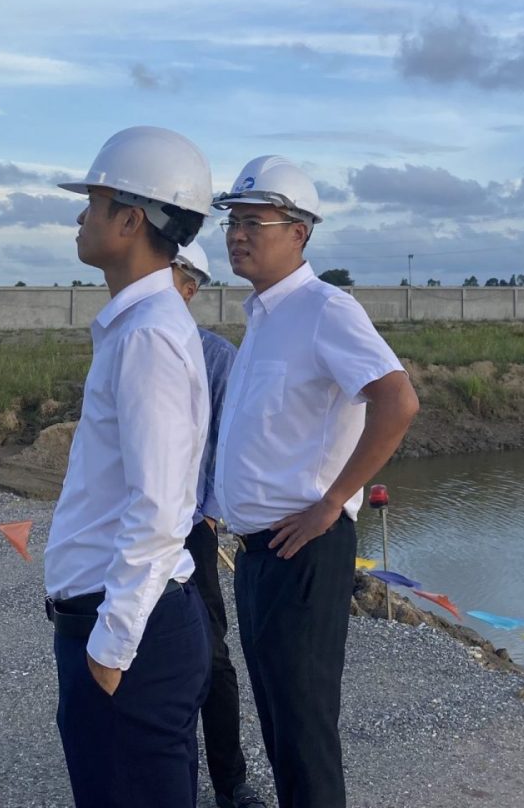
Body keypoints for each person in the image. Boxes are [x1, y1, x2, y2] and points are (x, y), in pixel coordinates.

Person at [211, 155, 420, 808]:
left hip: (303, 549)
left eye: (255, 222)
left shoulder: (326, 309)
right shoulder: (265, 317)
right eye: (233, 222)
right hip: (258, 553)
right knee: (280, 725)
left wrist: (333, 502)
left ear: (299, 232)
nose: (237, 235)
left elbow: (397, 401)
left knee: (304, 732)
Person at [43, 126, 216, 808]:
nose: (80, 217)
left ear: (130, 220)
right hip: (123, 620)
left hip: (128, 632)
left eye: (93, 202)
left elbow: (161, 507)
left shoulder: (148, 336)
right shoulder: (140, 326)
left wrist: (111, 649)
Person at [170, 242, 266, 808]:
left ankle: (231, 783)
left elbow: (227, 443)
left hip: (190, 527)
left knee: (211, 655)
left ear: (190, 288)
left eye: (169, 275)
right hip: (131, 527)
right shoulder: (121, 344)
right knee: (134, 647)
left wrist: (209, 511)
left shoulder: (216, 357)